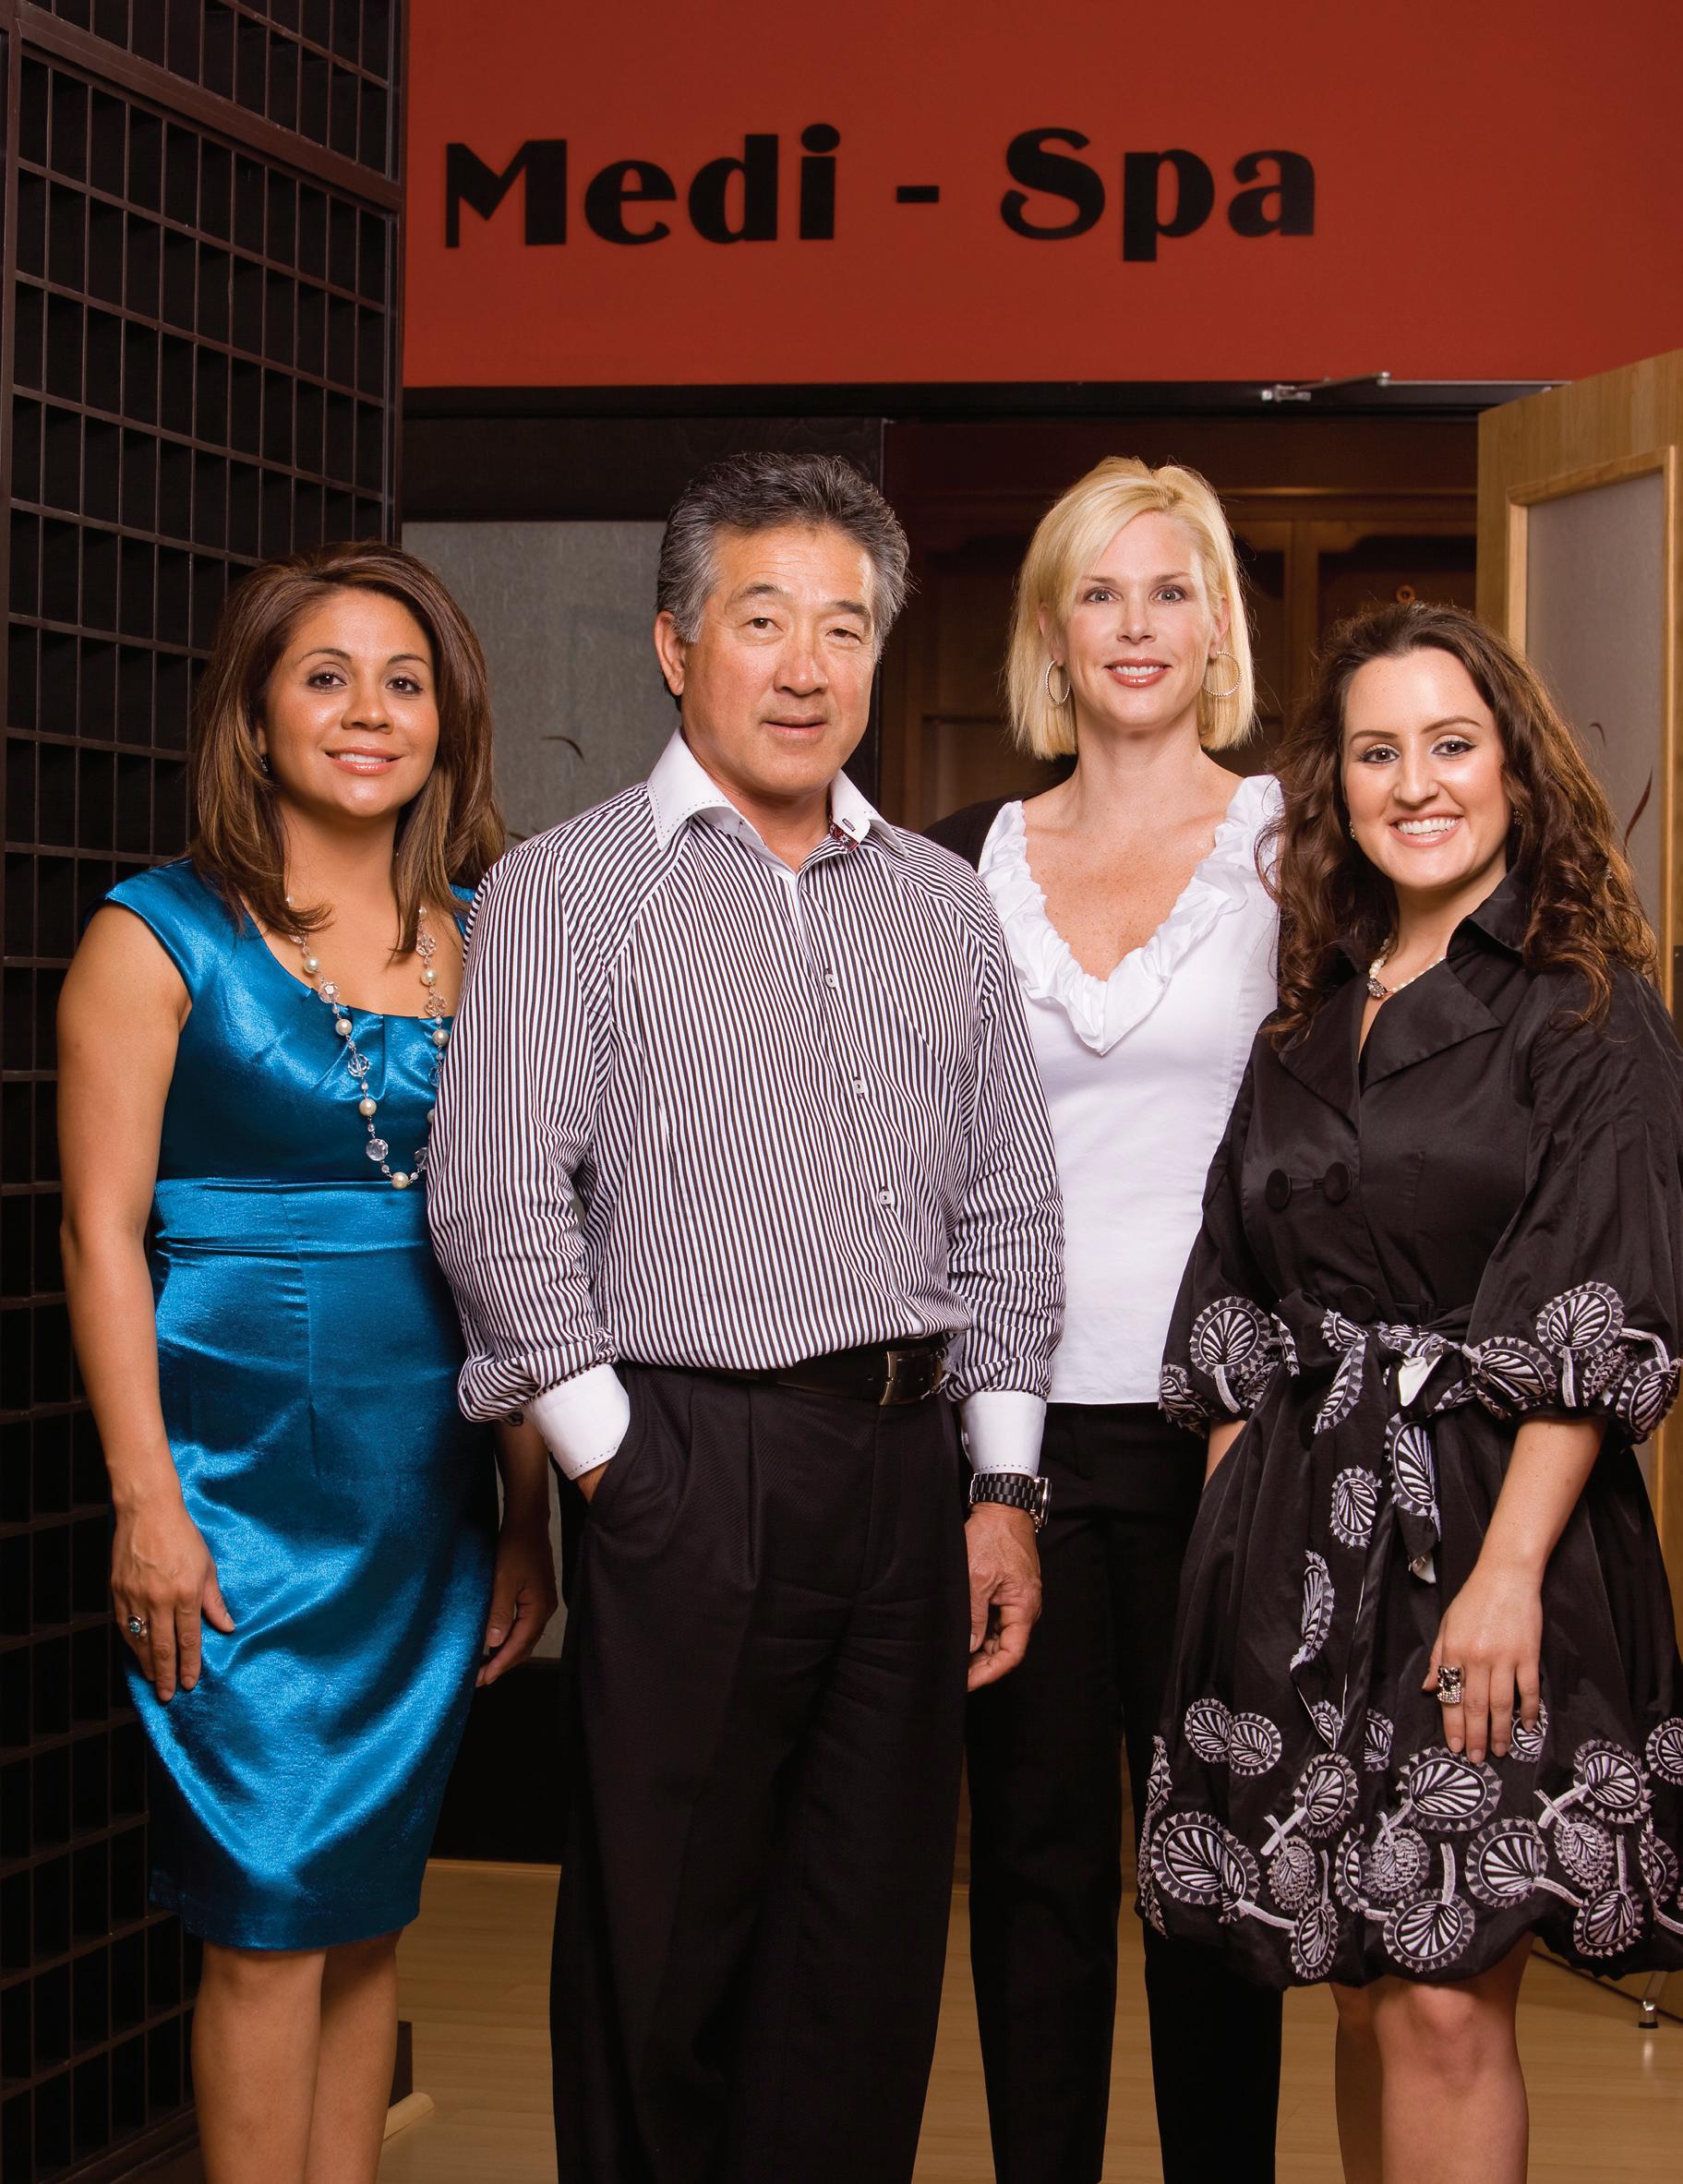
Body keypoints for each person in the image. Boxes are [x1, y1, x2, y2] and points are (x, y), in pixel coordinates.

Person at [427, 451, 1064, 2184]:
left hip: (910, 1471)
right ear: (674, 644)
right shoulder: (569, 889)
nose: (806, 666)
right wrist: (618, 1467)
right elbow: (491, 1194)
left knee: (864, 1948)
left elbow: (1010, 1200)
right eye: (762, 620)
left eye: (844, 628)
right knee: (667, 1949)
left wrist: (1003, 1486)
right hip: (689, 1450)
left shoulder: (940, 901)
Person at [1148, 601, 1683, 2184]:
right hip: (1300, 1553)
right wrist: (1237, 1557)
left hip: (1498, 1540)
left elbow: (1601, 1305)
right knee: (1362, 1983)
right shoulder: (1304, 1022)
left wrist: (1508, 1573)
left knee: (1447, 1992)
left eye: (1452, 743)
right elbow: (1234, 1301)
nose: (1418, 782)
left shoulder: (1588, 1011)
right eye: (1378, 752)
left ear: (1515, 765)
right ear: (1340, 789)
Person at [58, 544, 558, 2184]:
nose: (369, 712)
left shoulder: (489, 938)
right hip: (236, 1484)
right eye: (326, 677)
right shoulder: (157, 935)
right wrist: (147, 1502)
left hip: (428, 1491)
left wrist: (530, 1512)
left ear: (446, 721)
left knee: (364, 1912)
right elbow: (97, 1235)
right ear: (257, 718)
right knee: (268, 1916)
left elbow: (518, 1246)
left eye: (404, 682)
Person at [930, 457, 1284, 2184]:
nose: (1136, 626)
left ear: (1216, 626)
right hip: (1015, 1438)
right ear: (1050, 634)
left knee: (1214, 1881)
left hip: (1234, 1437)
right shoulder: (961, 863)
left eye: (1170, 589)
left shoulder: (1306, 848)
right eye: (1099, 592)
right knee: (1038, 1872)